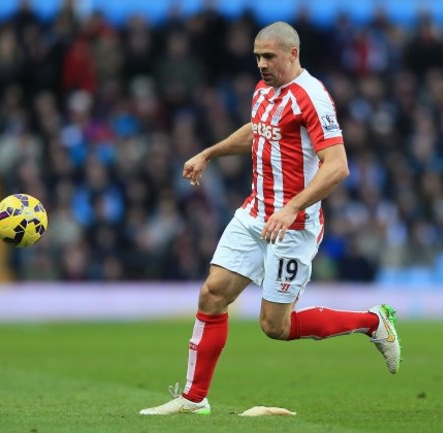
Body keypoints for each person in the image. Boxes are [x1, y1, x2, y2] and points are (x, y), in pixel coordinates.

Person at [139, 21, 401, 416]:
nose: (261, 63)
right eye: (258, 56)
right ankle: (194, 398)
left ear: (292, 54)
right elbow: (257, 131)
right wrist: (209, 153)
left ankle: (372, 322)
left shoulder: (312, 97)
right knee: (212, 294)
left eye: (269, 57)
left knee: (275, 326)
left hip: (293, 226)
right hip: (255, 213)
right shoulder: (264, 89)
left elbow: (338, 167)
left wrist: (292, 206)